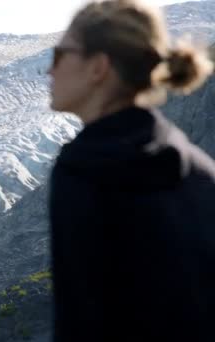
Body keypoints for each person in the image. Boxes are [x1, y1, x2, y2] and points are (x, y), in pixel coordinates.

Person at [47, 0, 215, 341]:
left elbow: (81, 321)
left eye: (59, 55)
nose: (50, 70)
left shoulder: (83, 171)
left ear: (99, 66)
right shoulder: (198, 166)